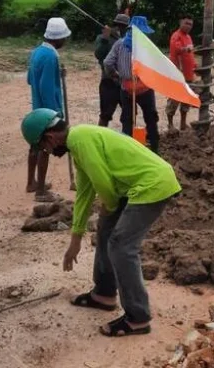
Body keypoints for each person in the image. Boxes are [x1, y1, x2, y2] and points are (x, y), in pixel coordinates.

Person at [19, 108, 181, 337]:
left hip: (152, 185)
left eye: (43, 147)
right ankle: (104, 294)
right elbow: (85, 193)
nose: (47, 151)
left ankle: (138, 318)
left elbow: (103, 183)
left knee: (121, 246)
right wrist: (75, 238)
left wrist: (110, 207)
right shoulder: (79, 143)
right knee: (106, 231)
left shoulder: (81, 139)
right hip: (134, 186)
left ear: (50, 138)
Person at [26, 17, 71, 202]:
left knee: (35, 146)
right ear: (57, 38)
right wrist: (53, 115)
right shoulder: (51, 56)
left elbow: (31, 79)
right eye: (64, 38)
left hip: (37, 108)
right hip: (47, 111)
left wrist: (57, 74)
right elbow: (46, 87)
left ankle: (32, 182)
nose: (65, 41)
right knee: (45, 148)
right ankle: (41, 192)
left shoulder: (37, 52)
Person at [103, 16, 161, 154]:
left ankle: (128, 151)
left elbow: (107, 63)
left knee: (127, 120)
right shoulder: (146, 46)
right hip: (145, 88)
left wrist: (116, 75)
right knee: (151, 119)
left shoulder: (119, 44)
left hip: (126, 88)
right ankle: (155, 149)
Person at [95, 14, 130, 127]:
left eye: (123, 26)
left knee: (129, 114)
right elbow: (99, 55)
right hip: (108, 81)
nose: (119, 28)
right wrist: (105, 39)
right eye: (117, 25)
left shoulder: (129, 40)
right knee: (105, 115)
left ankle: (128, 137)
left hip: (125, 83)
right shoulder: (103, 38)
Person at [165, 15, 197, 130]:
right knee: (174, 99)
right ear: (180, 22)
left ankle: (183, 123)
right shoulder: (176, 36)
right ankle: (170, 124)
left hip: (188, 75)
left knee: (186, 100)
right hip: (177, 75)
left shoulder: (188, 37)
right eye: (186, 23)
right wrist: (185, 49)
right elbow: (176, 49)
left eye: (191, 25)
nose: (188, 26)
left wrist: (195, 66)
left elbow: (190, 54)